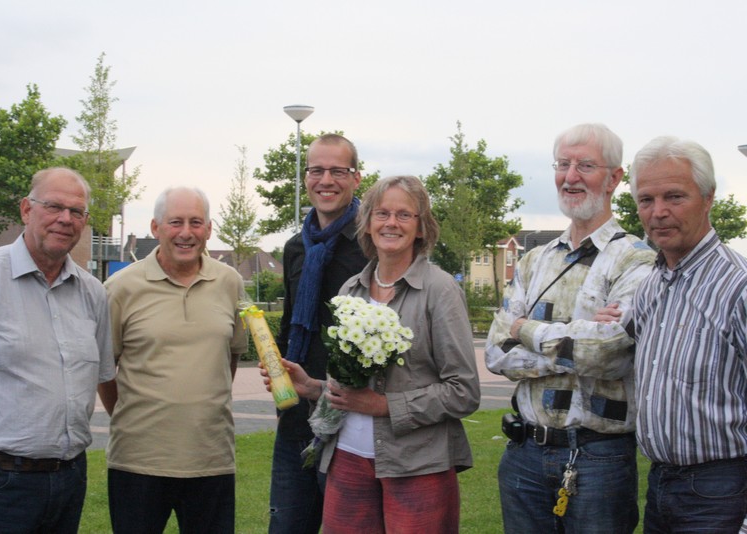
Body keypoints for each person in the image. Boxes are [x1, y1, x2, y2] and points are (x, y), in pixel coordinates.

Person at [267, 175, 480, 533]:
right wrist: (314, 388)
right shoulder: (352, 289)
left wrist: (385, 406)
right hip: (348, 459)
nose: (391, 223)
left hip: (416, 464)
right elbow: (351, 388)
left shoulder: (439, 290)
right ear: (366, 223)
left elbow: (463, 391)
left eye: (404, 215)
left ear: (421, 227)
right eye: (381, 213)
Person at [485, 123, 656, 533]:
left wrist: (526, 328)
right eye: (563, 164)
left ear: (615, 177)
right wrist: (576, 336)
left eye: (585, 165)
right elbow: (494, 352)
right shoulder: (533, 259)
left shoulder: (636, 260)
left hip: (600, 458)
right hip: (524, 454)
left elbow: (610, 355)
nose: (571, 176)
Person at [0, 167, 114, 533]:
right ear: (26, 209)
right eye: (54, 206)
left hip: (69, 477)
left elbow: (104, 375)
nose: (65, 219)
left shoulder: (93, 293)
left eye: (77, 212)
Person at [100, 186, 248, 533]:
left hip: (211, 460)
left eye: (196, 222)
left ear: (209, 230)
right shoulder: (120, 288)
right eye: (175, 222)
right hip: (137, 462)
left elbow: (229, 359)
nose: (186, 233)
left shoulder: (230, 282)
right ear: (155, 228)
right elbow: (105, 370)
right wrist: (134, 416)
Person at [628, 136, 747, 532]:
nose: (658, 212)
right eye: (646, 200)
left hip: (722, 491)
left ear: (708, 198)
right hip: (660, 481)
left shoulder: (738, 287)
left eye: (674, 197)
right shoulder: (650, 287)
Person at [269, 133, 368, 533]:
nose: (325, 180)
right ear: (305, 177)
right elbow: (291, 318)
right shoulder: (296, 247)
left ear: (356, 177)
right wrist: (276, 371)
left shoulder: (371, 243)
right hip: (296, 417)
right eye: (316, 170)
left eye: (337, 171)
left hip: (350, 418)